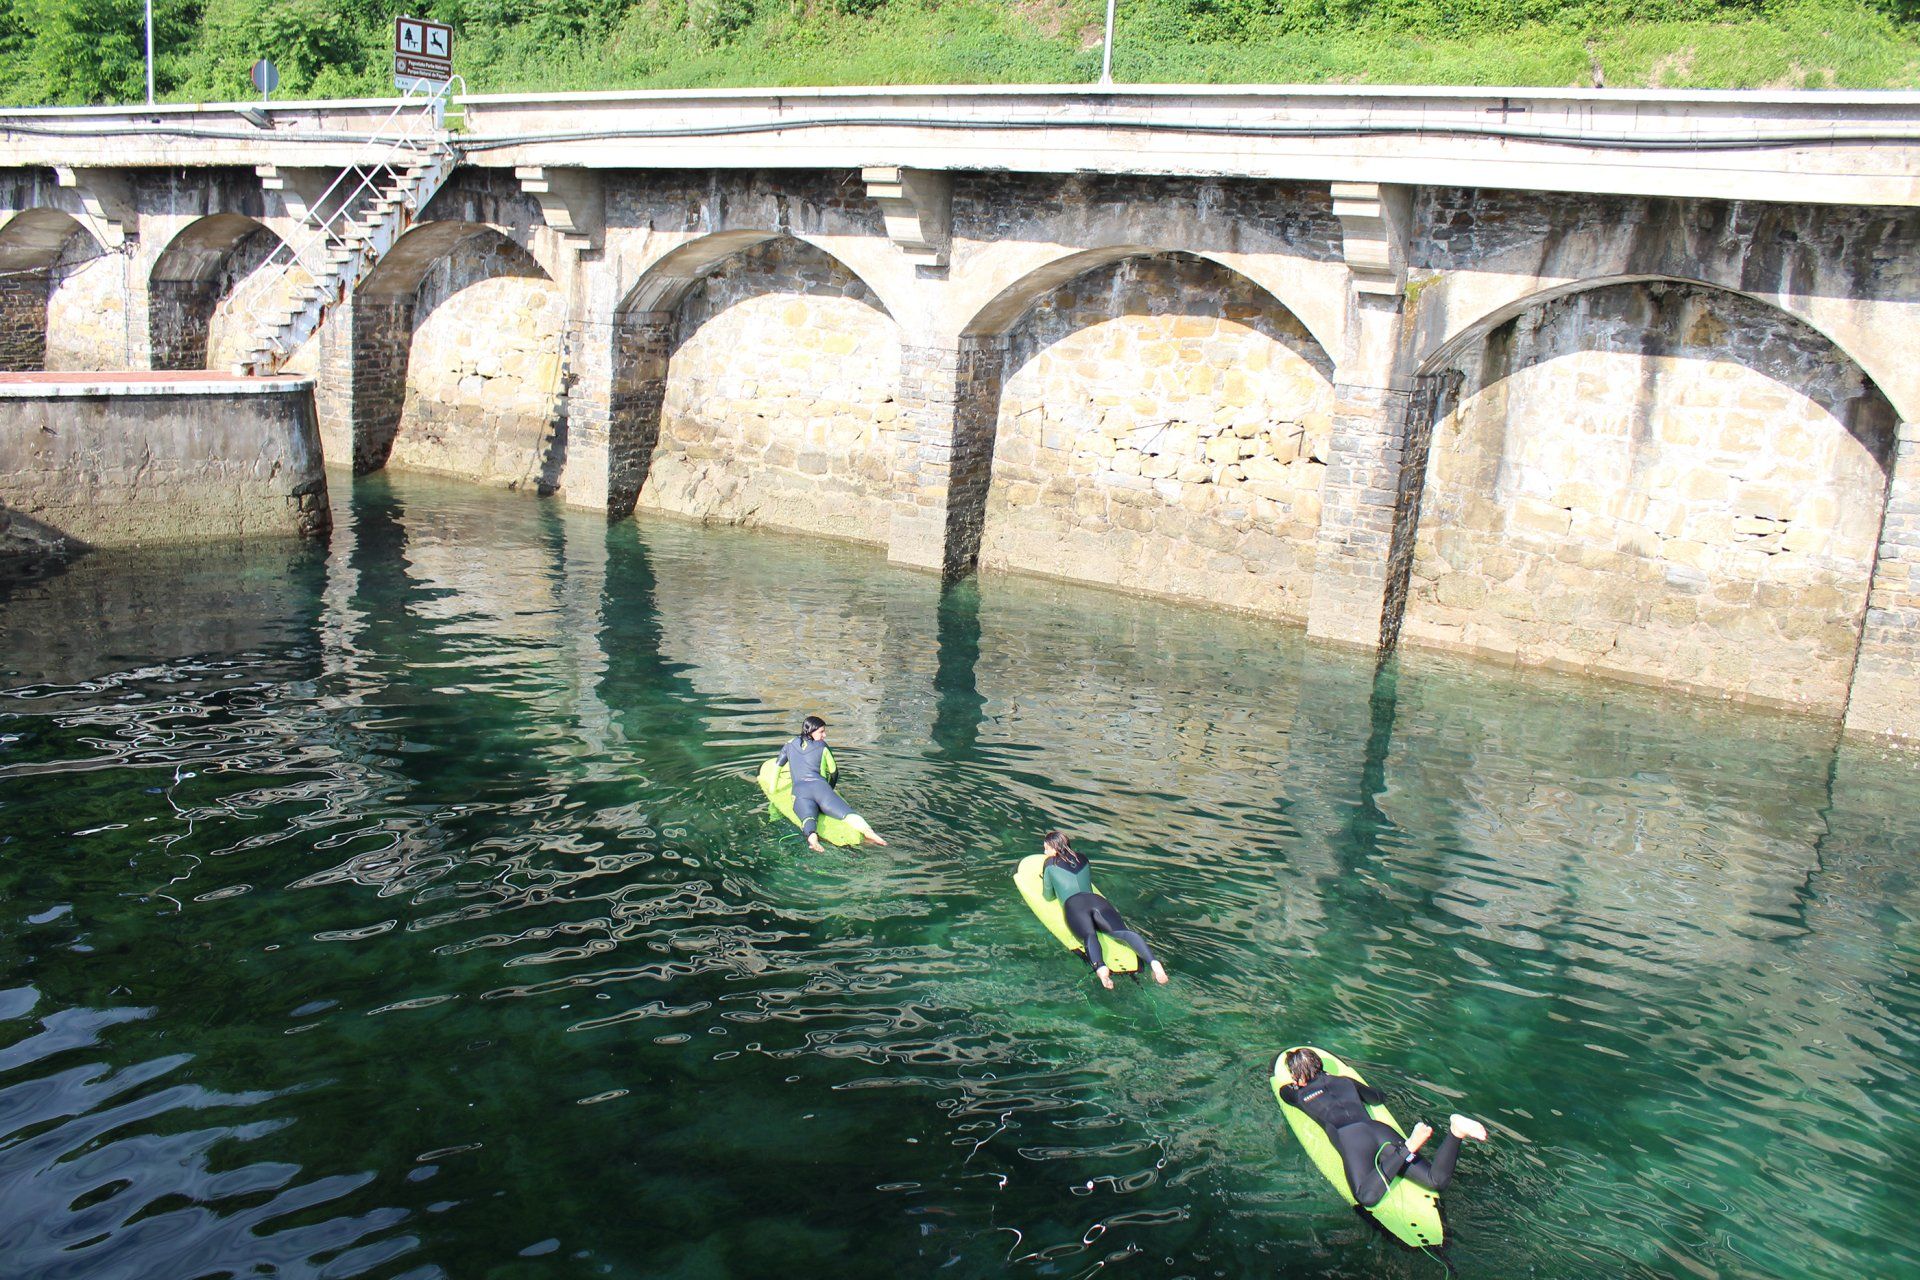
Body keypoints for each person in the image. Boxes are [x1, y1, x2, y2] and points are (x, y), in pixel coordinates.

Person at [1274, 1047, 1489, 1208]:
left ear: (1298, 1078)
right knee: (1436, 1180)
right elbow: (1377, 1098)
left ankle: (1408, 1148)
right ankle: (1456, 1131)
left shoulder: (1299, 1095)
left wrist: (1298, 1084)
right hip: (1378, 1129)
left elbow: (1284, 1092)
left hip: (1351, 1139)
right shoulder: (1346, 1081)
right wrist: (1347, 1083)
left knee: (1366, 1197)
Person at [1038, 831, 1168, 990]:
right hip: (1098, 902)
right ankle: (1154, 963)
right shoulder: (1083, 858)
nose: (1045, 852)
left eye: (1046, 849)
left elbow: (1048, 896)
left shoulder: (1050, 864)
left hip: (1075, 906)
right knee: (1123, 933)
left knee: (1089, 935)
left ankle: (1101, 968)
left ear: (1054, 848)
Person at [775, 715, 888, 854]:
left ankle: (813, 839)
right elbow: (834, 772)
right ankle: (869, 832)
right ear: (810, 731)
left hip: (800, 793)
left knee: (808, 818)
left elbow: (777, 767)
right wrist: (829, 791)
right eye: (821, 732)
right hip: (822, 789)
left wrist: (773, 789)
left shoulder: (789, 744)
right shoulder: (822, 746)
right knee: (848, 814)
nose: (824, 735)